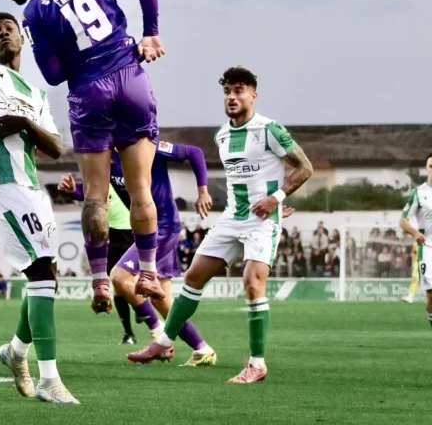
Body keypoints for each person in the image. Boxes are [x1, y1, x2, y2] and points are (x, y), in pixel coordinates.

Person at [0, 0, 166, 313]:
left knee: (95, 196)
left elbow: (53, 75)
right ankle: (148, 273)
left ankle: (99, 280)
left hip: (89, 91)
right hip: (130, 77)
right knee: (140, 189)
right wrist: (150, 34)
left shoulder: (34, 12)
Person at [127, 67, 313, 384]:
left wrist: (276, 198)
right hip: (231, 218)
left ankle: (257, 364)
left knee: (252, 284)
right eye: (227, 91)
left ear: (253, 95)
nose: (231, 97)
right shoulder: (222, 135)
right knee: (193, 277)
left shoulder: (270, 130)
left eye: (239, 90)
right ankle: (164, 342)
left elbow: (305, 168)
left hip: (262, 222)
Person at [0, 11, 78, 404]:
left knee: (46, 277)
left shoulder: (37, 95)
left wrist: (24, 123)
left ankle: (16, 352)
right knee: (40, 273)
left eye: (9, 29)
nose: (3, 34)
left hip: (32, 189)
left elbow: (56, 148)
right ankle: (49, 380)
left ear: (22, 39)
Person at [61, 142, 218, 366]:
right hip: (146, 231)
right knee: (161, 301)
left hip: (163, 228)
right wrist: (73, 191)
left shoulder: (147, 146)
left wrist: (202, 191)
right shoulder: (108, 159)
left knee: (119, 277)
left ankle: (157, 333)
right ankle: (202, 349)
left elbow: (195, 151)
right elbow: (96, 191)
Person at [63, 177, 137, 342]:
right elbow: (81, 192)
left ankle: (140, 308)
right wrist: (72, 189)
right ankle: (128, 333)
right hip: (109, 234)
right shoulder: (98, 177)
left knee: (131, 281)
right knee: (117, 284)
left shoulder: (128, 172)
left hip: (131, 233)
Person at [399, 153, 432, 327]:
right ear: (426, 168)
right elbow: (403, 221)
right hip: (427, 249)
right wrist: (414, 232)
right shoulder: (418, 193)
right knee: (431, 295)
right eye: (431, 166)